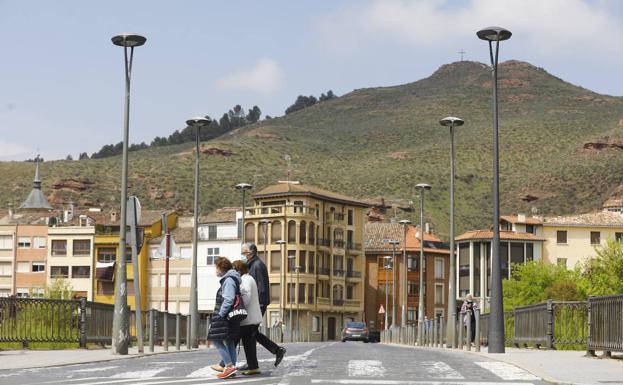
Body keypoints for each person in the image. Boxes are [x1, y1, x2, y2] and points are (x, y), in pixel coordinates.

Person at [241, 243, 286, 367]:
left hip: (258, 305)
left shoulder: (258, 266)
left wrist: (257, 306)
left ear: (251, 253)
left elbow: (262, 289)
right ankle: (255, 361)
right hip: (257, 305)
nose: (242, 255)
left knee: (250, 333)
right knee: (251, 333)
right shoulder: (252, 265)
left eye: (244, 252)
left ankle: (254, 362)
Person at [207, 257, 242, 379]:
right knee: (229, 341)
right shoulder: (232, 279)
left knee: (216, 340)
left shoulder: (228, 281)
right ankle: (231, 368)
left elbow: (228, 299)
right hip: (230, 316)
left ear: (221, 268)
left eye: (216, 268)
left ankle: (229, 365)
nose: (215, 271)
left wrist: (221, 314)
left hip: (225, 316)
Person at [232, 260, 263, 375]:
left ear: (239, 270)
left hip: (248, 318)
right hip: (249, 319)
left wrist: (235, 307)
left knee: (234, 340)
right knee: (248, 344)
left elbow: (246, 298)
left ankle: (225, 364)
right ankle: (253, 366)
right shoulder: (249, 279)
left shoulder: (245, 280)